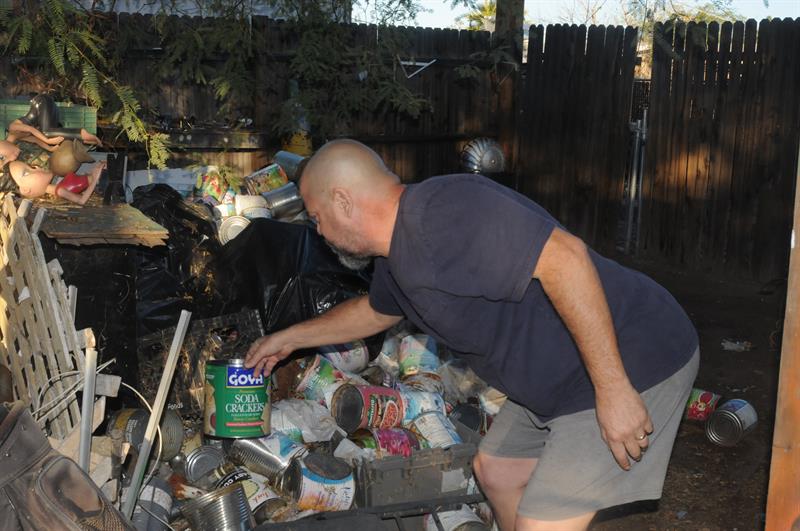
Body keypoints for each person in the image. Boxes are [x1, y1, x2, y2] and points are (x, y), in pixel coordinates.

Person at [245, 139, 699, 531]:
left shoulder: (444, 213)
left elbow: (567, 260)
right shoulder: (397, 257)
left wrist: (614, 388)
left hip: (630, 358)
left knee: (543, 520)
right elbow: (373, 312)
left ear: (344, 201)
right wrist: (290, 338)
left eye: (319, 216)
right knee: (495, 470)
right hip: (556, 379)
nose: (318, 231)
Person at [0, 140, 105, 205]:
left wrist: (95, 171)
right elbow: (81, 201)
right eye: (27, 172)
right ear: (25, 190)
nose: (36, 167)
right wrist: (95, 179)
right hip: (101, 182)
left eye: (31, 166)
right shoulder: (59, 190)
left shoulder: (58, 184)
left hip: (98, 177)